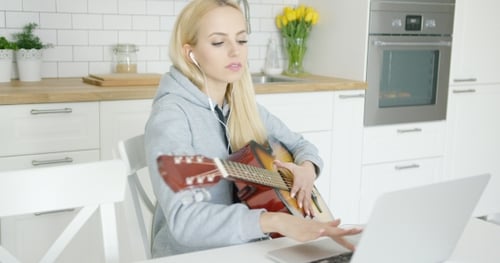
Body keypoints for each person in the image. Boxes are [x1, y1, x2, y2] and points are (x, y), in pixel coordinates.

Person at [144, 0, 361, 257]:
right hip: (192, 256)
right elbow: (185, 219)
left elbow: (301, 146)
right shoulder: (172, 116)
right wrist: (274, 221)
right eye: (218, 42)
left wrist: (306, 170)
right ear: (190, 53)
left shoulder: (241, 104)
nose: (235, 52)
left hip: (248, 247)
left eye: (242, 40)